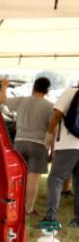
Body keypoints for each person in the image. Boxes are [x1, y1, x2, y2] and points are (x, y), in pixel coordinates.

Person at [0, 77, 53, 215]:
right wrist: (51, 149)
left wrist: (4, 86)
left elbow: (3, 100)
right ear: (47, 90)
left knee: (18, 176)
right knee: (33, 179)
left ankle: (14, 204)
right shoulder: (50, 106)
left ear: (33, 87)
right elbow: (52, 129)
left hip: (20, 141)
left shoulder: (22, 100)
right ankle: (28, 209)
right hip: (38, 144)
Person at [44, 82, 79, 226]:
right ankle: (77, 221)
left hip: (68, 145)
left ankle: (51, 219)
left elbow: (57, 114)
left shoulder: (70, 91)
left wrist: (48, 135)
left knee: (55, 179)